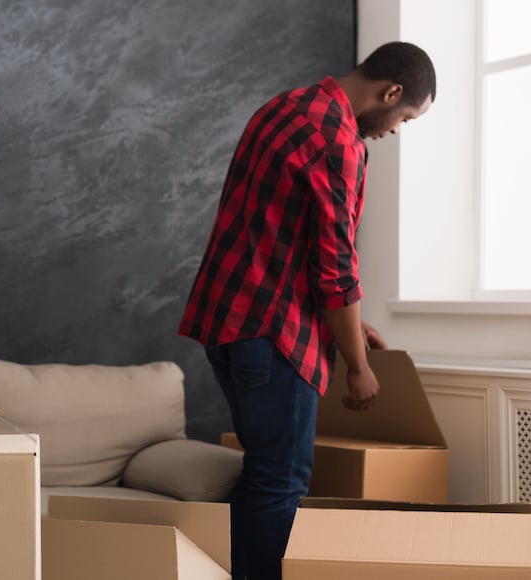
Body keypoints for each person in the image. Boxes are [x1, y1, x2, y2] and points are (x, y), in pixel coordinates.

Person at [178, 41, 435, 580]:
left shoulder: (283, 107)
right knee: (280, 481)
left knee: (265, 474)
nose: (394, 130)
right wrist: (359, 367)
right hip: (273, 335)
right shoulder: (336, 141)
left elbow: (275, 234)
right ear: (390, 92)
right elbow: (336, 268)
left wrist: (350, 325)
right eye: (405, 117)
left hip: (226, 321)